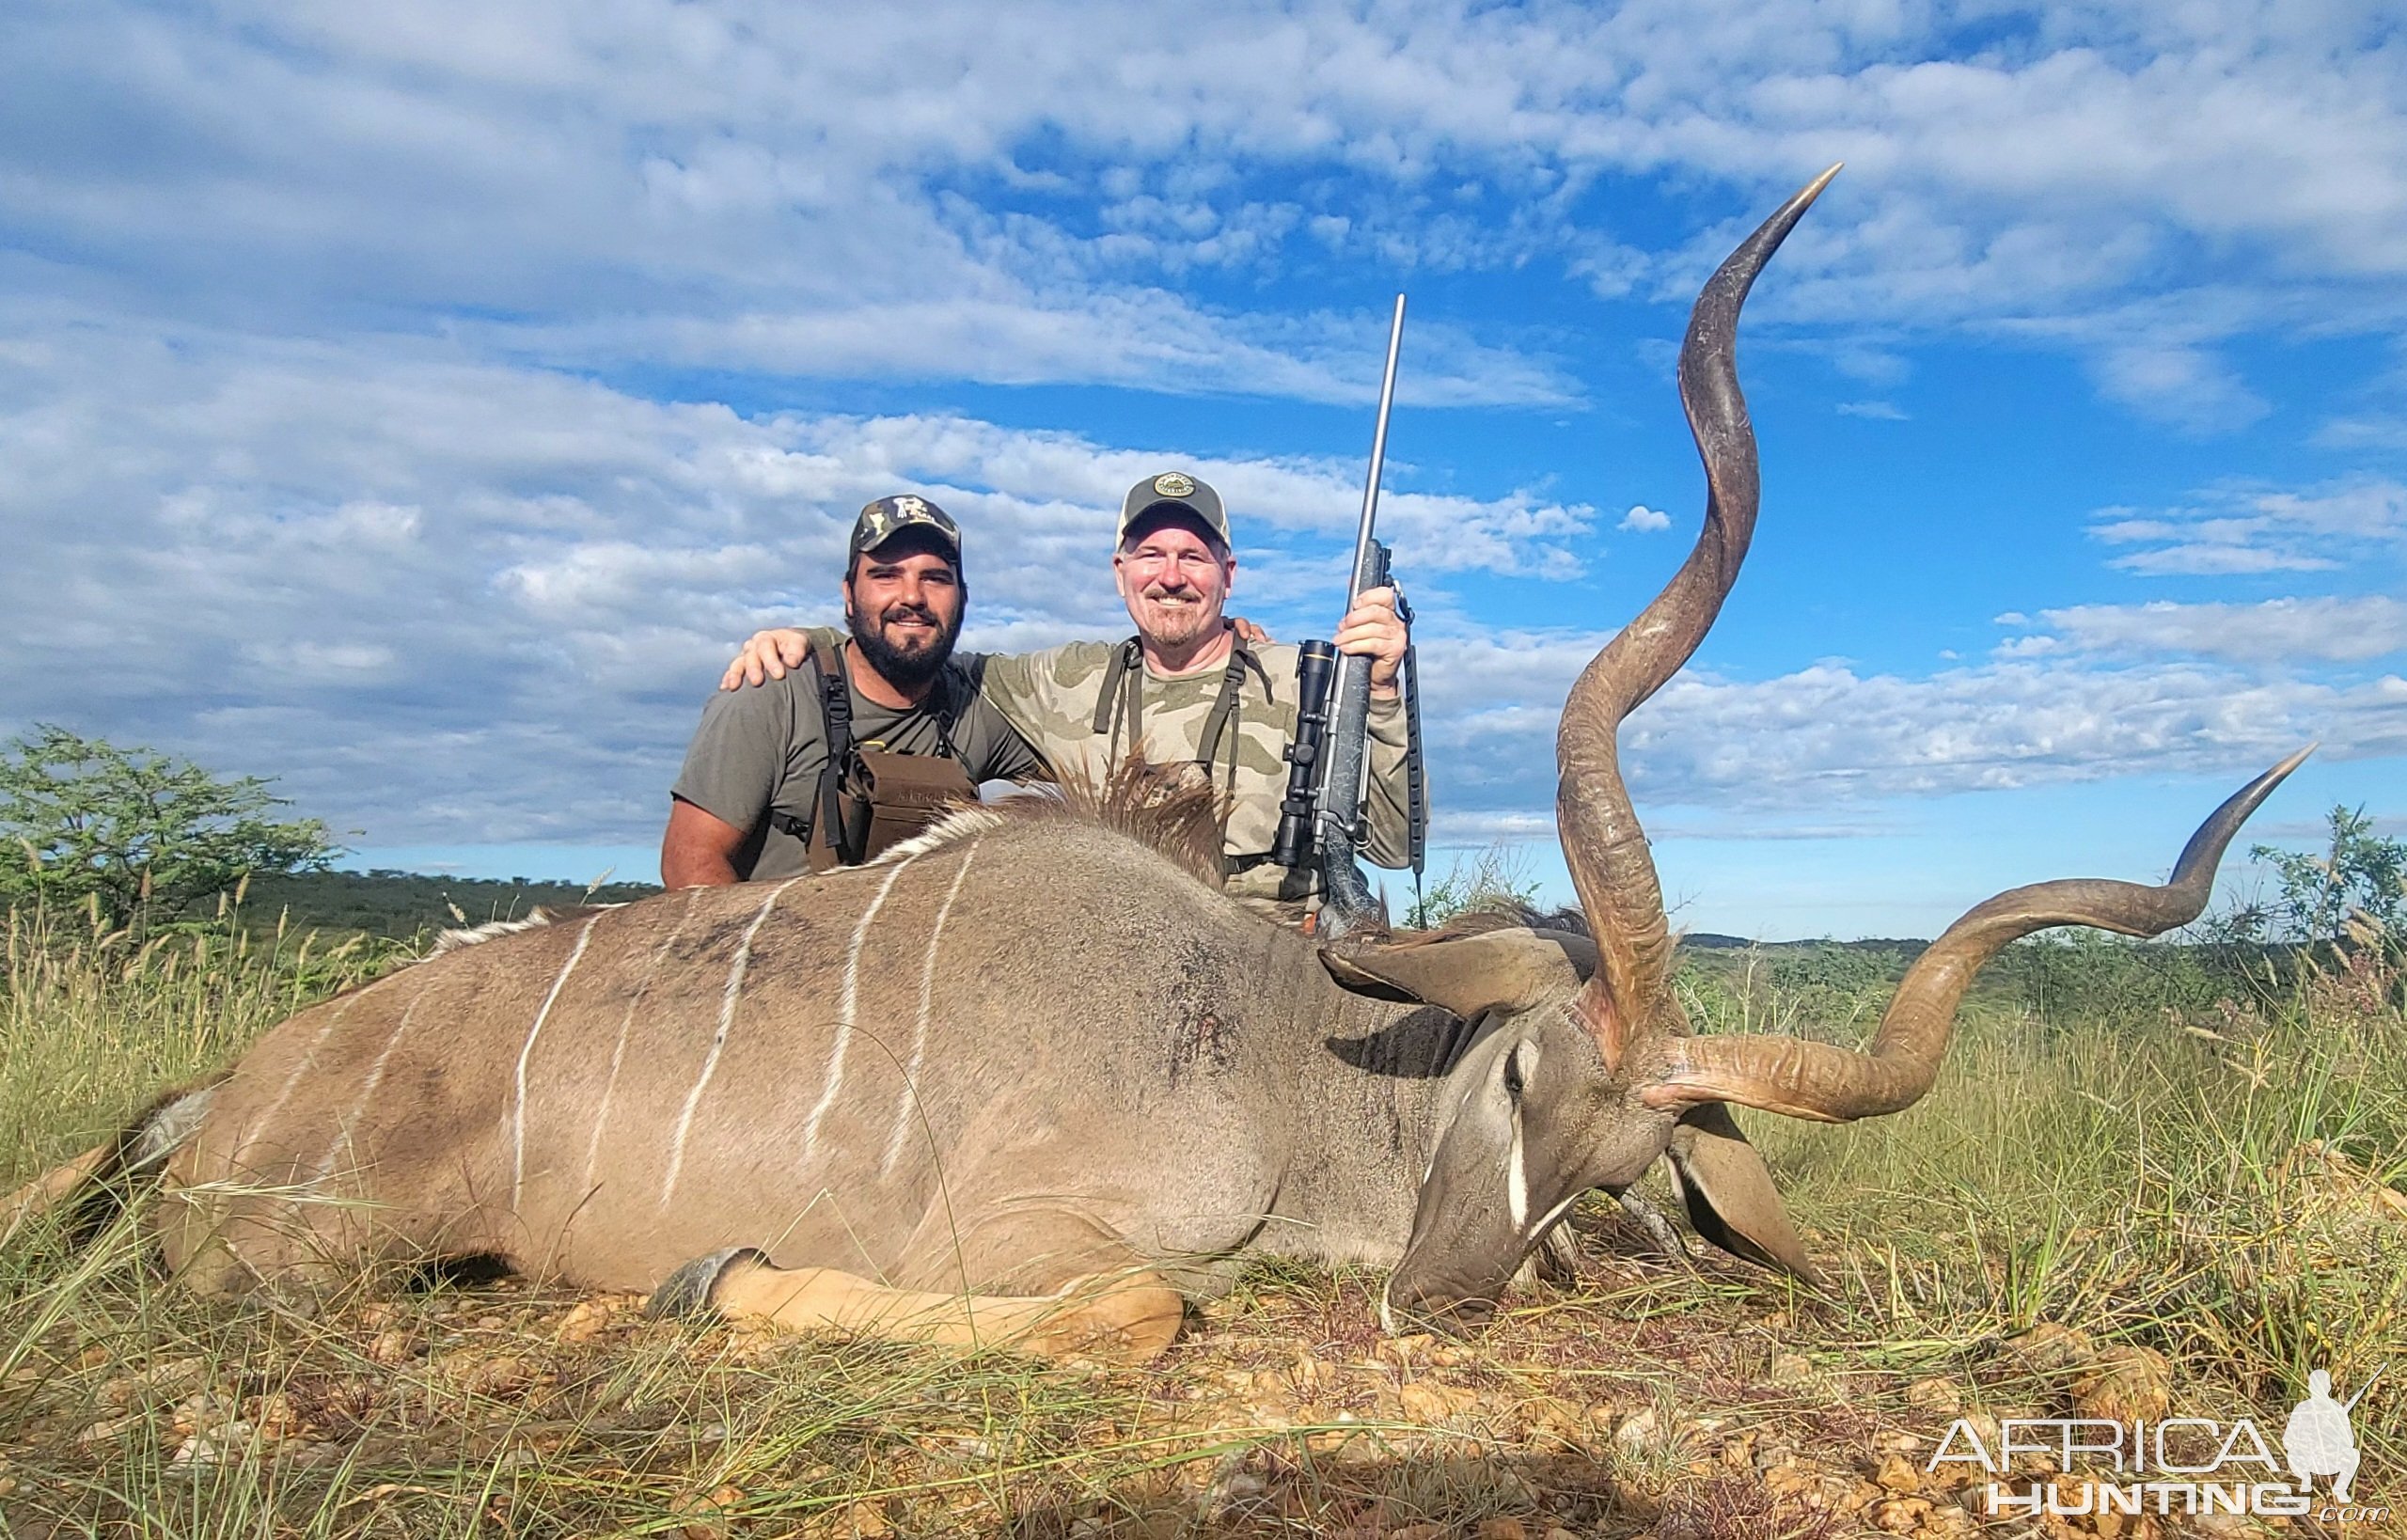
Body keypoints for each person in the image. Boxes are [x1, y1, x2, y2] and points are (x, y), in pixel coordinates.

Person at [721, 472, 1418, 919]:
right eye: (1150, 554)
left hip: (1282, 973)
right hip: (1128, 981)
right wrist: (814, 641)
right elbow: (914, 644)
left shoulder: (1309, 679)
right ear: (1121, 572)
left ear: (1226, 575)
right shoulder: (1063, 683)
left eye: (1193, 556)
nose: (1170, 576)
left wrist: (1382, 693)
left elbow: (1392, 848)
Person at [662, 495, 1047, 886]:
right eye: (885, 575)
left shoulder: (979, 708)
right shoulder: (773, 693)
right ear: (849, 594)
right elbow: (689, 860)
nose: (912, 596)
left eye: (935, 578)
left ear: (963, 597)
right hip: (786, 941)